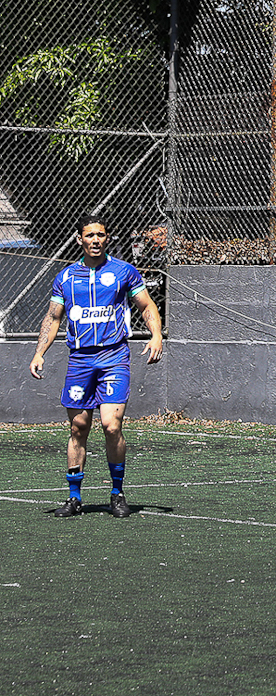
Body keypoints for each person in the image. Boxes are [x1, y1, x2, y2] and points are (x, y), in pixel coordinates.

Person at [29, 213, 164, 519]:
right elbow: (53, 318)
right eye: (89, 236)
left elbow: (146, 305)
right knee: (79, 426)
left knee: (111, 425)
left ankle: (117, 492)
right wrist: (39, 353)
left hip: (114, 357)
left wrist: (156, 335)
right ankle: (74, 497)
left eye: (100, 235)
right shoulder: (65, 278)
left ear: (107, 239)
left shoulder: (123, 272)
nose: (95, 240)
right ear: (80, 239)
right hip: (80, 360)